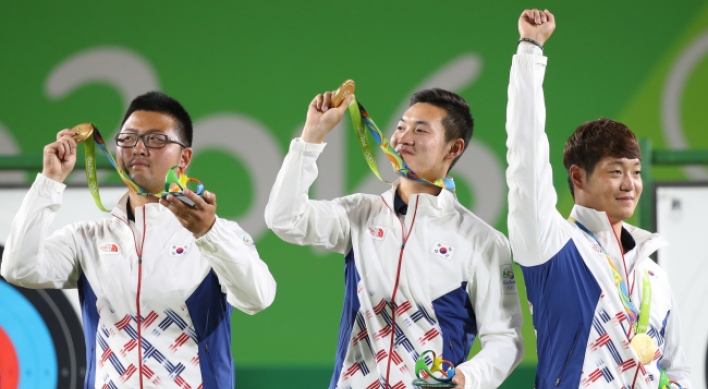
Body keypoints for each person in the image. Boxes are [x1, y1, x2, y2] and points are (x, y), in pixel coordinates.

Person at [1, 91, 277, 389]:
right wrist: (49, 181)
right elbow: (18, 269)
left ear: (184, 157)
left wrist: (208, 233)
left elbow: (257, 298)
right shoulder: (87, 239)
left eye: (156, 139)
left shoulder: (220, 235)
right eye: (128, 139)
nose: (139, 149)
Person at [265, 88, 523, 389]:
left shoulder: (483, 241)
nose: (403, 137)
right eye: (401, 127)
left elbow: (506, 338)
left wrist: (468, 378)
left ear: (453, 149)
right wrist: (311, 137)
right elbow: (285, 219)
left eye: (420, 130)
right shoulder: (359, 214)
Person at [506, 9, 691, 389]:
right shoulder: (552, 246)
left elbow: (680, 370)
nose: (630, 184)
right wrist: (529, 51)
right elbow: (526, 155)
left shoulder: (653, 275)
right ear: (578, 176)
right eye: (615, 171)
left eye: (636, 172)